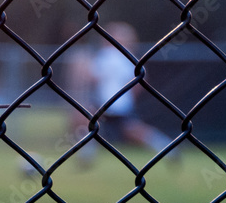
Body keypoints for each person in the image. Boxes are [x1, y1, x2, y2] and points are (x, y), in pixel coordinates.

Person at [75, 22, 175, 163]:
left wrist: (82, 64)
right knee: (131, 130)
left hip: (107, 102)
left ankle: (87, 153)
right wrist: (130, 97)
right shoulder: (128, 57)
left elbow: (92, 75)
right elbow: (141, 79)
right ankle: (166, 147)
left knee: (87, 119)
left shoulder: (110, 54)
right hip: (119, 102)